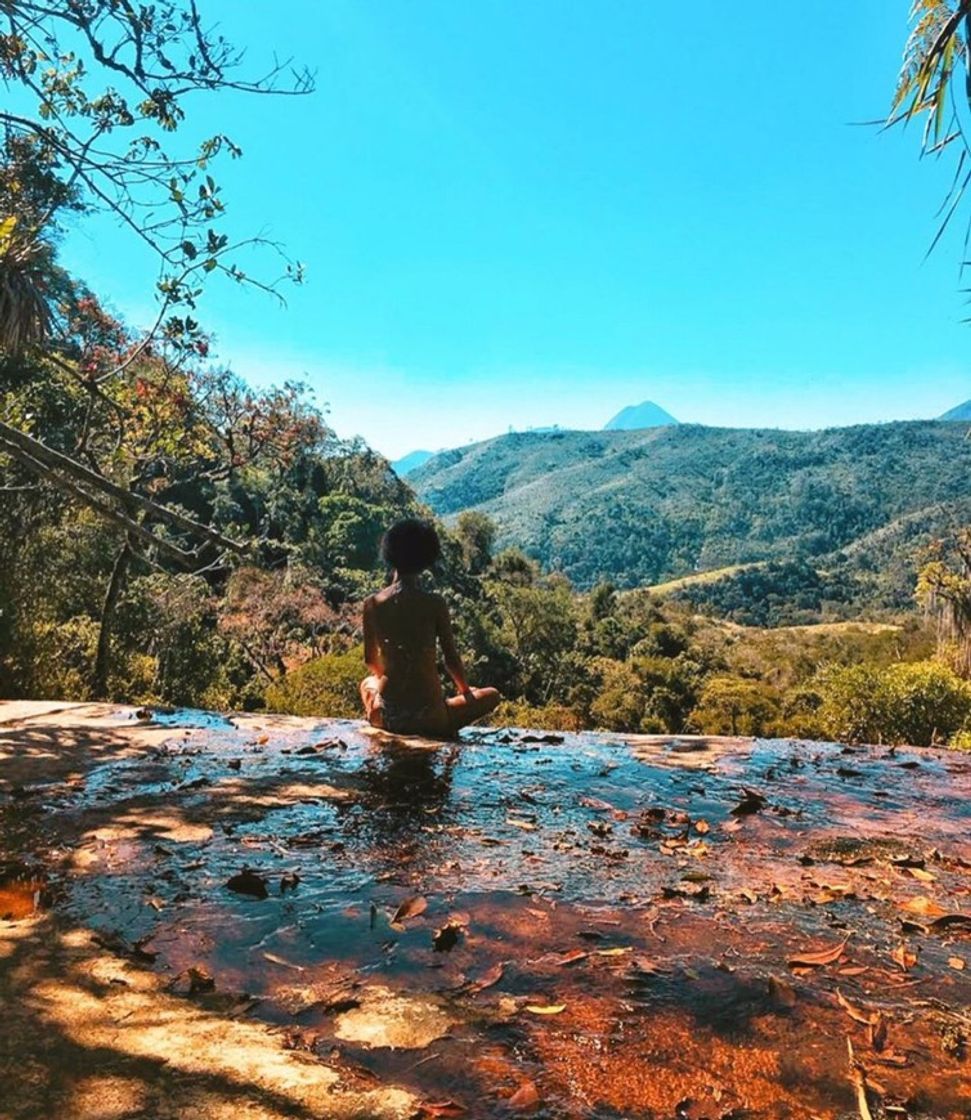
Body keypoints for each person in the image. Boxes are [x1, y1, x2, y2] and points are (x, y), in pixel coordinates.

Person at [360, 518, 501, 737]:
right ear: (426, 560)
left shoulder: (372, 604)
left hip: (387, 716)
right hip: (431, 718)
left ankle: (376, 716)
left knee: (367, 683)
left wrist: (387, 681)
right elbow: (451, 660)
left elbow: (370, 661)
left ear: (390, 555)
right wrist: (465, 691)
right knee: (492, 695)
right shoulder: (434, 603)